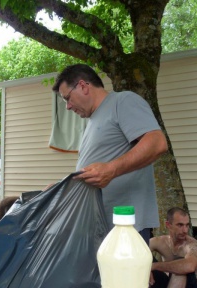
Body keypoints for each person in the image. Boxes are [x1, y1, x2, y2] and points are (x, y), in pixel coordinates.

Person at [52, 64, 168, 243]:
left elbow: (157, 142)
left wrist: (111, 169)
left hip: (125, 228)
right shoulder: (92, 120)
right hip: (99, 227)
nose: (67, 106)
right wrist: (61, 188)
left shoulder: (123, 101)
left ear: (83, 86)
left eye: (67, 98)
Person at [148, 207, 197, 288]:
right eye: (180, 225)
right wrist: (146, 267)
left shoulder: (192, 245)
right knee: (143, 257)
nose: (185, 230)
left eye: (187, 225)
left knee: (181, 265)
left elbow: (189, 266)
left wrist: (153, 266)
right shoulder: (159, 242)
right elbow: (134, 253)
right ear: (168, 225)